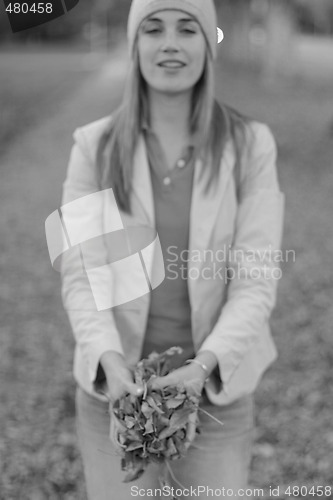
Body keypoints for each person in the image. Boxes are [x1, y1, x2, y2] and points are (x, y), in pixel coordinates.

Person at [60, 0, 285, 498]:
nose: (169, 44)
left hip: (216, 393)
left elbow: (255, 278)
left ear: (208, 46)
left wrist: (201, 367)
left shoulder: (251, 146)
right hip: (114, 391)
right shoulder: (91, 147)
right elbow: (81, 274)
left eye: (188, 29)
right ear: (134, 45)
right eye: (153, 29)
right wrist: (112, 363)